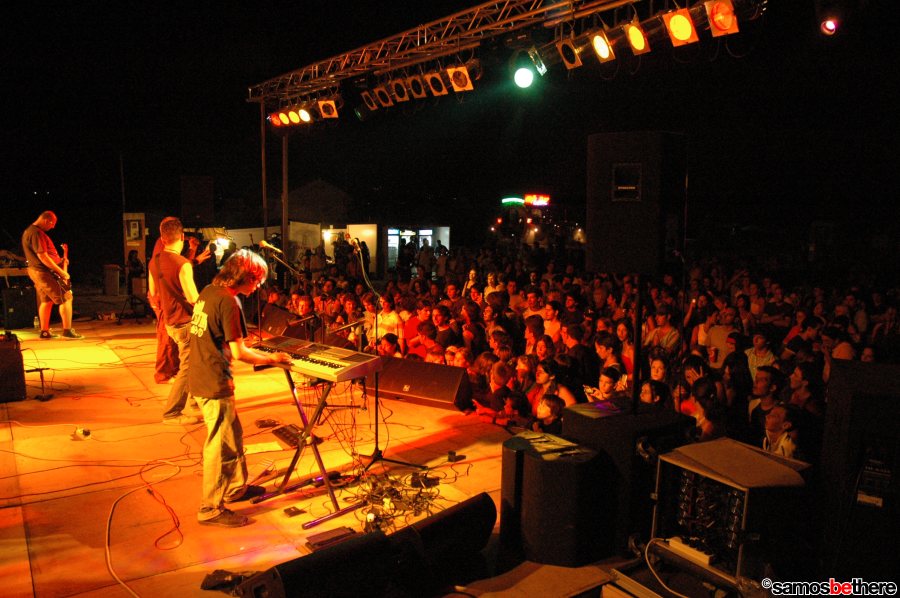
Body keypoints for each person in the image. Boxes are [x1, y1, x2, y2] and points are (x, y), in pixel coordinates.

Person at [187, 249, 292, 527]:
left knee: (233, 435)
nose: (258, 287)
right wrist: (273, 359)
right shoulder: (229, 301)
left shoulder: (209, 291)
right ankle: (210, 508)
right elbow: (240, 353)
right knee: (220, 446)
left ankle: (235, 488)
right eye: (257, 280)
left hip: (200, 374)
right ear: (245, 276)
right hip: (213, 380)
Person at [148, 217, 202, 425]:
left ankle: (197, 400)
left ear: (162, 239)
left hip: (169, 321)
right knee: (187, 367)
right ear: (182, 237)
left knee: (194, 363)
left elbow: (153, 292)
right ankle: (172, 412)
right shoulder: (182, 264)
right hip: (185, 321)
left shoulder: (154, 261)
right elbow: (193, 298)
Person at [21, 210, 82, 339]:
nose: (53, 227)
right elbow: (43, 256)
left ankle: (45, 332)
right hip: (44, 273)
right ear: (46, 220)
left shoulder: (29, 231)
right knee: (66, 297)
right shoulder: (36, 233)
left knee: (46, 301)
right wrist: (61, 272)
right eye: (52, 223)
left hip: (37, 272)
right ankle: (67, 331)